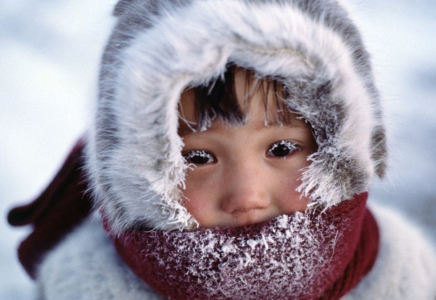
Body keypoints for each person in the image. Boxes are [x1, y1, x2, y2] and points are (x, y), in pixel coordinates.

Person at [8, 0, 436, 299]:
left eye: (282, 148)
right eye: (198, 157)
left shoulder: (402, 275)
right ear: (137, 170)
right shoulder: (83, 283)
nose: (246, 195)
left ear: (341, 146)